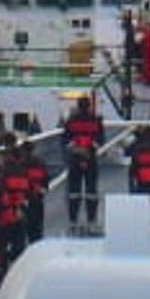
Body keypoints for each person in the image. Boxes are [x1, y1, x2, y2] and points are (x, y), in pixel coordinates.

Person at [62, 96, 106, 234]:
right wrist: (88, 149)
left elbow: (66, 141)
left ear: (78, 106)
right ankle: (91, 222)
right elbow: (100, 140)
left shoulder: (71, 121)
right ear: (89, 106)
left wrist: (78, 149)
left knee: (74, 192)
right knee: (91, 191)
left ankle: (73, 222)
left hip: (75, 159)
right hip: (91, 158)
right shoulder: (96, 120)